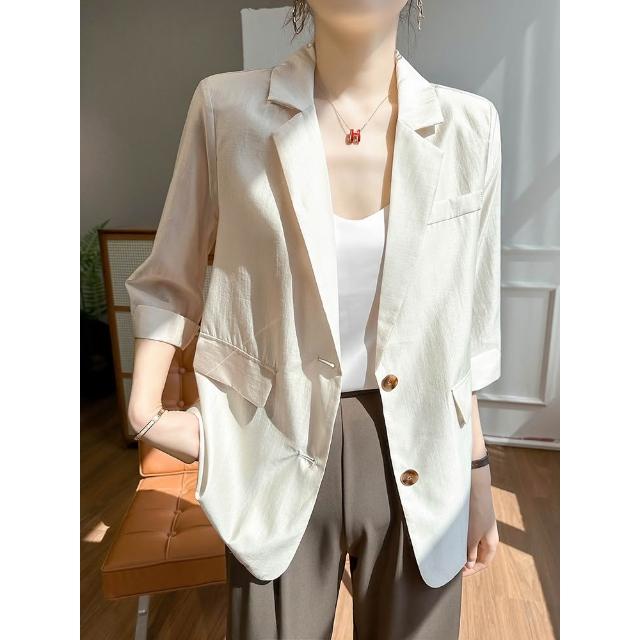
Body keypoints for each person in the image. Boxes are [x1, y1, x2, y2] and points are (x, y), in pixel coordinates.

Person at [125, 1, 502, 638]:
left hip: (422, 447)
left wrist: (477, 470)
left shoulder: (470, 128)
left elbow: (460, 328)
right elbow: (169, 276)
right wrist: (146, 412)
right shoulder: (226, 110)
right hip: (274, 440)